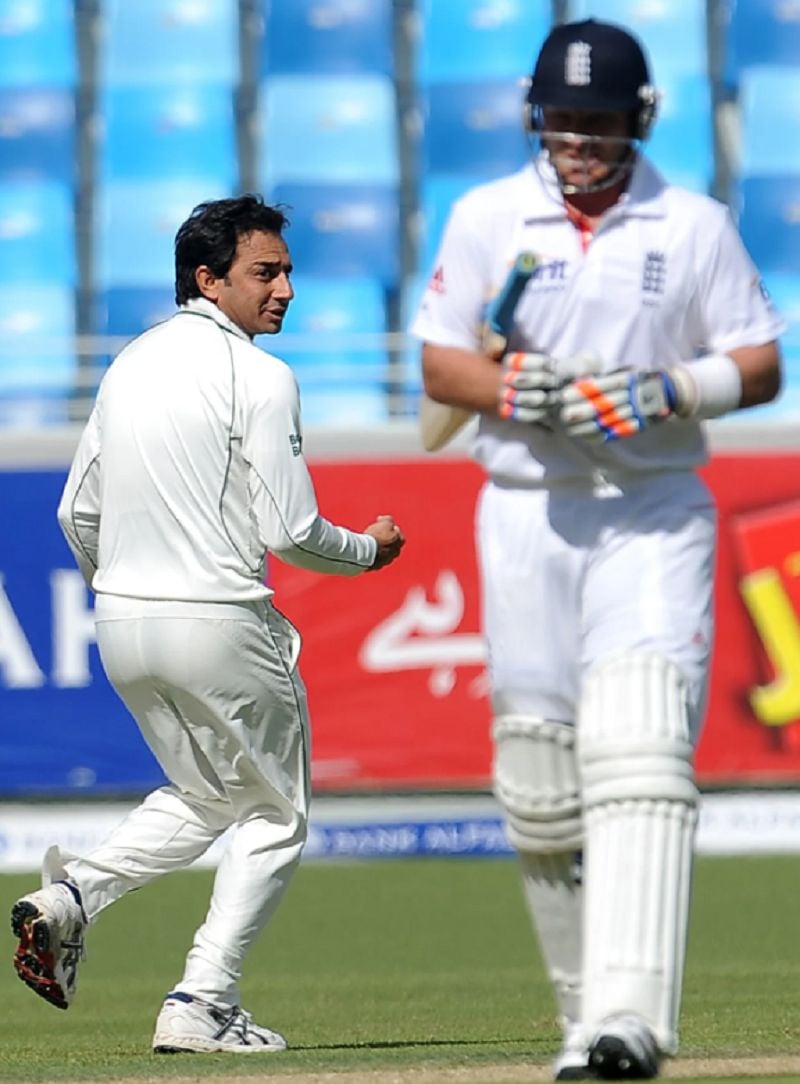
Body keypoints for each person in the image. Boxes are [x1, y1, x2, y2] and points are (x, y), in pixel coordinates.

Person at [411, 18, 783, 1082]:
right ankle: (582, 1022)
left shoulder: (692, 221)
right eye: (563, 119)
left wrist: (670, 388)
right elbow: (443, 367)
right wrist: (523, 389)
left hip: (651, 508)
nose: (578, 141)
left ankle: (629, 1022)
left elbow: (757, 362)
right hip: (526, 507)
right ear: (538, 116)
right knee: (534, 780)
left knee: (636, 748)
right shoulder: (489, 216)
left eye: (600, 121)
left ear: (638, 120)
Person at [11, 194, 405, 1053]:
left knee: (211, 795)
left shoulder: (128, 364)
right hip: (220, 620)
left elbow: (78, 513)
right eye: (266, 272)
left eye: (288, 271)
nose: (287, 290)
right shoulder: (261, 377)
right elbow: (292, 532)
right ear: (208, 278)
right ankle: (202, 1000)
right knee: (276, 812)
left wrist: (124, 591)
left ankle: (72, 895)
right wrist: (371, 550)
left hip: (120, 622)